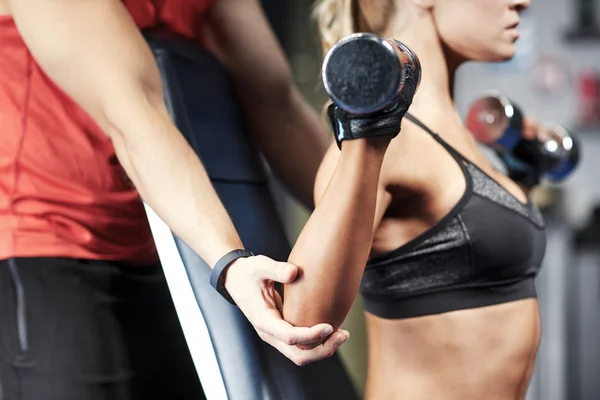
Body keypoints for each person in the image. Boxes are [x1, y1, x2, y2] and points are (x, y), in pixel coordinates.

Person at [0, 0, 350, 398]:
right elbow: (133, 112)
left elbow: (276, 106)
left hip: (172, 249)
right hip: (46, 240)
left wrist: (378, 227)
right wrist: (230, 263)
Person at [280, 0, 547, 399]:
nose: (522, 3)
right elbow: (304, 322)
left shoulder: (452, 134)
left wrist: (521, 178)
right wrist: (367, 134)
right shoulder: (387, 139)